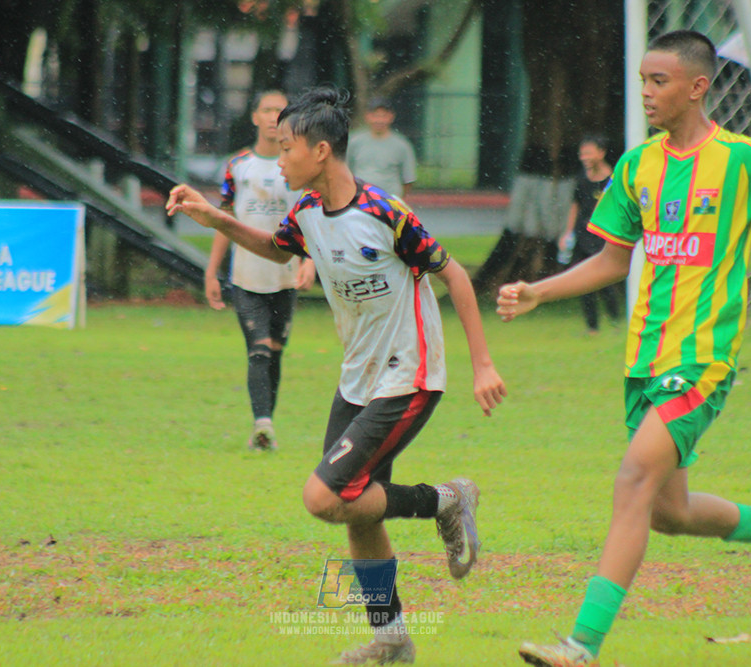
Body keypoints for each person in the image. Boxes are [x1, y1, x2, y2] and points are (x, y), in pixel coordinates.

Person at [497, 31, 751, 666]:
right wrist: (540, 292)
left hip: (702, 362)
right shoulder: (637, 166)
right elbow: (610, 261)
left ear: (697, 87)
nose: (647, 93)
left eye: (660, 82)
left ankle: (580, 647)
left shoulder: (744, 160)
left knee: (631, 479)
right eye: (644, 81)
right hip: (643, 362)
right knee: (669, 513)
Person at [168, 86, 507, 664]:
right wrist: (213, 217)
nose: (279, 160)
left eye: (286, 148)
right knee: (355, 505)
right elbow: (277, 251)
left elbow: (454, 276)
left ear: (321, 151)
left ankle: (446, 500)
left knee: (325, 496)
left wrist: (482, 364)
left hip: (410, 374)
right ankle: (392, 635)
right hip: (358, 378)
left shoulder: (384, 213)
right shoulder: (303, 212)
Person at [205, 90, 316, 451]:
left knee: (276, 350)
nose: (273, 117)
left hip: (284, 275)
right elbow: (225, 221)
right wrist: (211, 272)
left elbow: (314, 219)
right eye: (267, 110)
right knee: (259, 350)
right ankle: (262, 425)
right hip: (247, 277)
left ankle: (265, 421)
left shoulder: (298, 165)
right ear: (254, 117)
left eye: (280, 111)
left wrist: (309, 260)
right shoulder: (237, 166)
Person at [557, 135, 621, 334]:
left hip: (602, 236)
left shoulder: (613, 179)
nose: (584, 157)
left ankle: (615, 319)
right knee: (583, 281)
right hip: (582, 235)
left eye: (588, 152)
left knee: (605, 281)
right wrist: (567, 233)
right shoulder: (581, 179)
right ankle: (592, 326)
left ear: (601, 153)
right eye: (582, 153)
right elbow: (575, 205)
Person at [347, 97, 417, 200]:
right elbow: (345, 172)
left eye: (383, 116)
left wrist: (398, 201)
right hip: (359, 201)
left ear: (391, 117)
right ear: (367, 116)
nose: (379, 120)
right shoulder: (353, 141)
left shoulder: (402, 145)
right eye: (375, 116)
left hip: (389, 201)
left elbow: (408, 179)